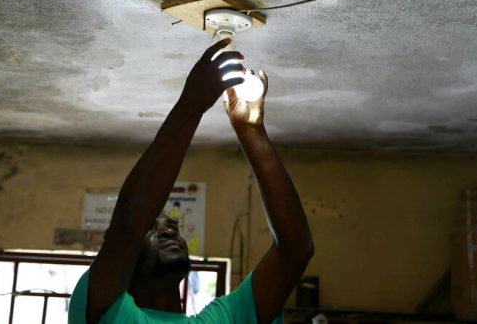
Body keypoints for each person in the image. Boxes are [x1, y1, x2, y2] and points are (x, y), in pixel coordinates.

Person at [68, 38, 314, 324]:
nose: (170, 232)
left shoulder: (224, 319)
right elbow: (127, 225)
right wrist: (191, 105)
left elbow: (295, 250)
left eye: (172, 227)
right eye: (154, 229)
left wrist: (251, 131)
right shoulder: (106, 312)